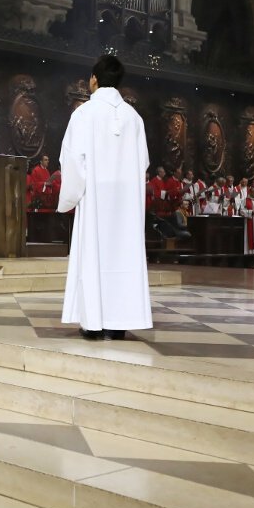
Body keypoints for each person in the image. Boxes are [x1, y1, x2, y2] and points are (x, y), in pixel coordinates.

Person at [57, 54, 151, 340]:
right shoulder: (134, 118)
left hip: (96, 200)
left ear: (94, 79)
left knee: (94, 256)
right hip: (126, 205)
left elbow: (72, 161)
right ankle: (118, 323)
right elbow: (144, 162)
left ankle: (94, 322)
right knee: (123, 256)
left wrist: (70, 198)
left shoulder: (83, 114)